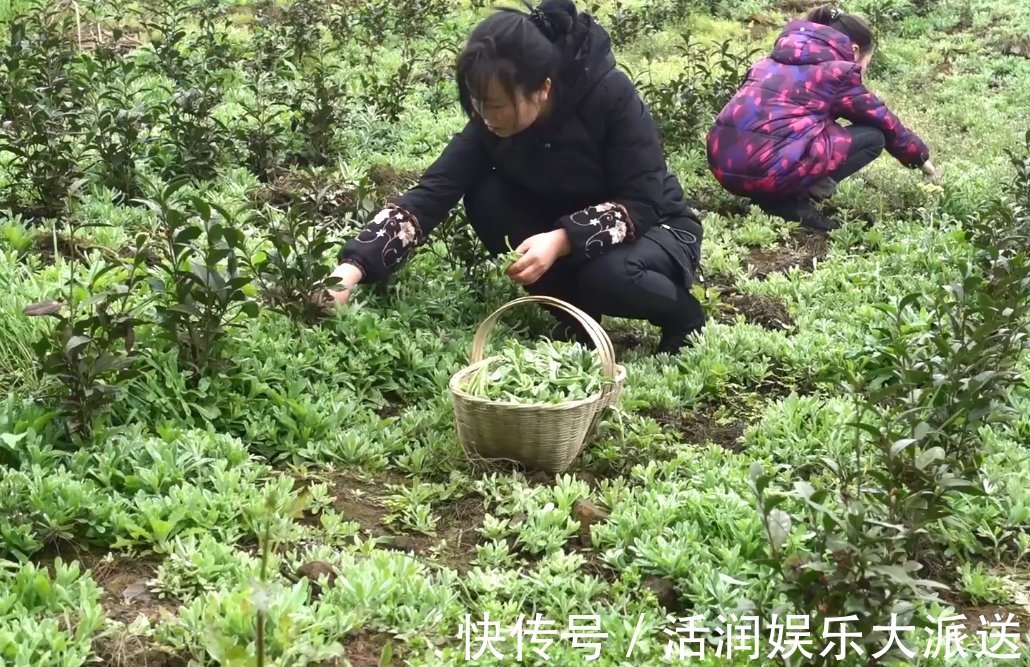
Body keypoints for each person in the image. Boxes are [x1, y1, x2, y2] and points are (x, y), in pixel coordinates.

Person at [324, 0, 706, 355]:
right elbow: (431, 193)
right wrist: (349, 270)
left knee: (607, 276)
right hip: (570, 236)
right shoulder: (489, 126)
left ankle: (684, 317)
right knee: (485, 195)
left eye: (496, 105)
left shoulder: (610, 96)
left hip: (657, 229)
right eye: (475, 101)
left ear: (542, 89)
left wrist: (561, 239)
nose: (485, 116)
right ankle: (577, 317)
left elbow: (643, 201)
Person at [705, 5, 938, 231]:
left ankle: (768, 194)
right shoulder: (838, 72)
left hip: (725, 168)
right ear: (855, 50)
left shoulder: (767, 62)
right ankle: (789, 202)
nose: (865, 69)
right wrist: (920, 159)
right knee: (873, 136)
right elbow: (882, 119)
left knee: (814, 127)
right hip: (767, 172)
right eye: (868, 61)